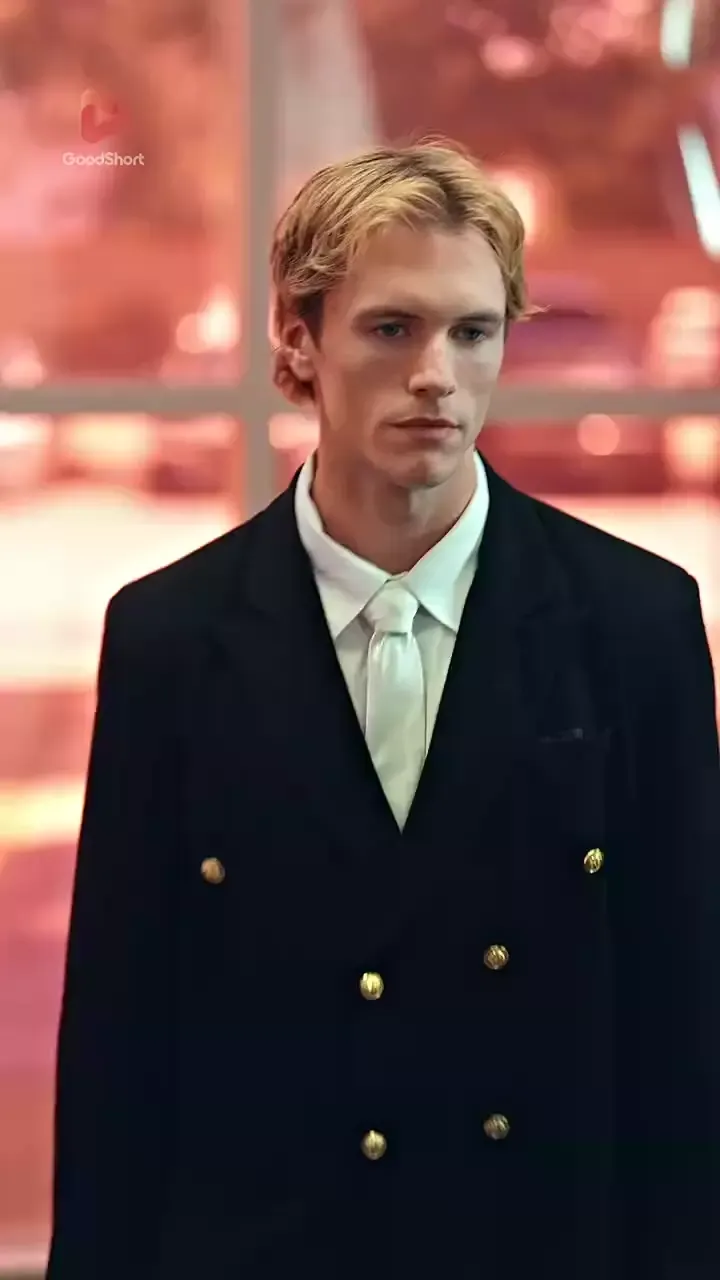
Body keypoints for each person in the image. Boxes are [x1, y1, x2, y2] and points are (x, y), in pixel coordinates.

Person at [47, 140, 720, 1280]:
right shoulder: (170, 639)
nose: (437, 375)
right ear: (296, 341)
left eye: (473, 332)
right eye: (393, 329)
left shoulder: (636, 624)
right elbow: (120, 1043)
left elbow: (684, 1032)